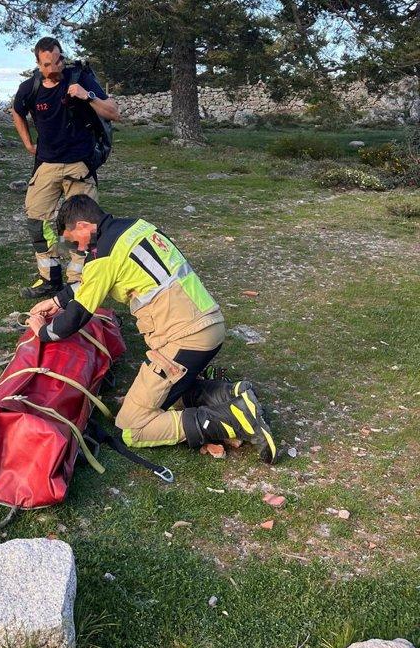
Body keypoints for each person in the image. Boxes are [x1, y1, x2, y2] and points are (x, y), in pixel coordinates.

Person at [27, 195, 278, 463]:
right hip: (208, 324)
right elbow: (94, 281)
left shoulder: (104, 258)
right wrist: (57, 300)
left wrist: (43, 331)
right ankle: (230, 394)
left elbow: (77, 315)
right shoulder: (136, 227)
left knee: (132, 426)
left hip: (185, 338)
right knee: (169, 394)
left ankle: (233, 419)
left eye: (73, 240)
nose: (76, 248)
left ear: (85, 225)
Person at [12, 37, 119, 299]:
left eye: (58, 60)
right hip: (47, 164)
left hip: (79, 165)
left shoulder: (79, 78)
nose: (55, 67)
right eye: (48, 64)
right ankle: (50, 278)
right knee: (37, 221)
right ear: (38, 64)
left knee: (83, 227)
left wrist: (87, 94)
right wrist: (28, 143)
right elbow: (17, 110)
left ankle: (78, 281)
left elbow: (113, 112)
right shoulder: (30, 88)